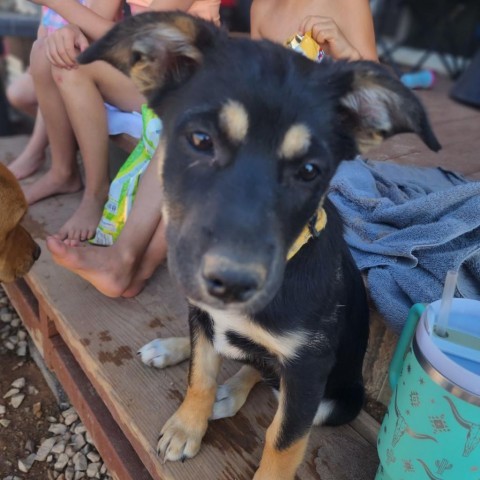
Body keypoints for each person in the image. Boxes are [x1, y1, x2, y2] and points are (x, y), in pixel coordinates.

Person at [46, 0, 377, 298]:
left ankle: (130, 265)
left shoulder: (347, 3)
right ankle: (124, 262)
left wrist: (344, 49)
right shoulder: (264, 7)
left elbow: (375, 103)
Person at [25, 0, 220, 243]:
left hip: (188, 79)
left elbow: (139, 37)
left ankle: (95, 194)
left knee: (73, 67)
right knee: (45, 52)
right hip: (150, 68)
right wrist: (71, 30)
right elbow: (95, 19)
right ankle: (63, 172)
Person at [6, 2, 89, 180]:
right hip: (52, 60)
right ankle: (62, 142)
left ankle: (35, 153)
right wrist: (35, 66)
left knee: (51, 83)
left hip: (79, 63)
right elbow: (44, 29)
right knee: (18, 93)